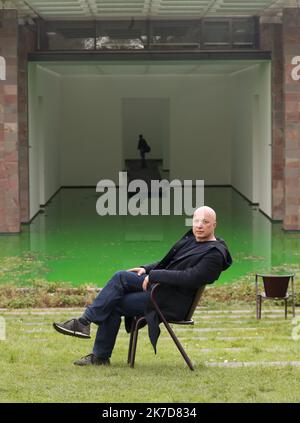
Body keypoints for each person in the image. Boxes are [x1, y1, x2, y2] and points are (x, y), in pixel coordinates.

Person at [53, 206, 232, 366]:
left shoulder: (214, 253)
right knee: (117, 289)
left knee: (119, 282)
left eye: (205, 222)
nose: (199, 225)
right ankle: (93, 343)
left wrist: (153, 275)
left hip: (171, 302)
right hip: (162, 292)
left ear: (214, 225)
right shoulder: (192, 240)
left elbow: (191, 278)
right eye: (196, 221)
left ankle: (87, 328)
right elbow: (168, 262)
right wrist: (146, 268)